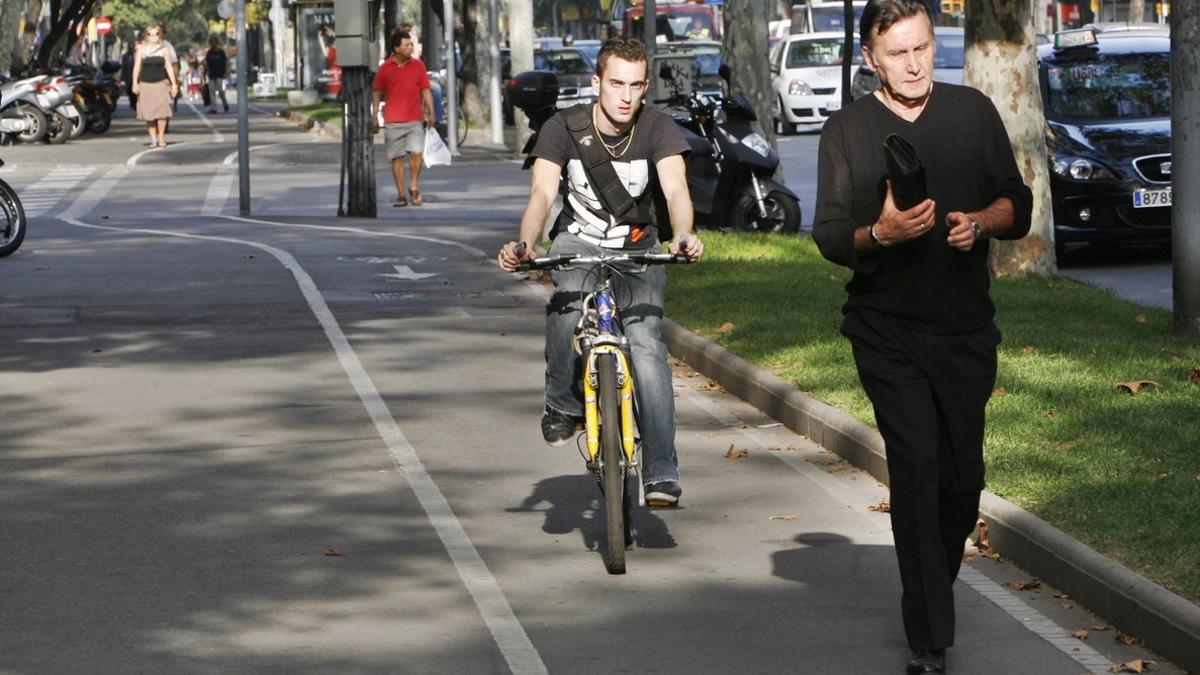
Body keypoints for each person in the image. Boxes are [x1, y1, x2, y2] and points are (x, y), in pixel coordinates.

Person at [812, 1, 1032, 673]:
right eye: (899, 52)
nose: (915, 64)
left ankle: (933, 585)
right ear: (870, 60)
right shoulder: (846, 130)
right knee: (917, 467)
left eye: (924, 47)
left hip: (966, 330)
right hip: (886, 331)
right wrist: (882, 234)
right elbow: (829, 234)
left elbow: (1015, 204)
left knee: (963, 482)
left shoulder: (972, 113)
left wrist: (979, 224)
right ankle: (929, 637)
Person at [496, 37, 704, 507]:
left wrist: (684, 234)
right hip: (578, 242)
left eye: (635, 86)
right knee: (565, 307)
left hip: (639, 248)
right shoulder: (562, 128)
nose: (626, 96)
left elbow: (675, 191)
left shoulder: (657, 128)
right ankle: (562, 404)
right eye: (616, 84)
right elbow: (542, 196)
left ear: (646, 87)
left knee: (649, 347)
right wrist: (526, 245)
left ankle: (661, 472)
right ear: (597, 84)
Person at [371, 31, 436, 207]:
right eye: (406, 45)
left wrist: (432, 112)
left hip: (415, 119)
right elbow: (377, 94)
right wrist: (375, 116)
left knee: (416, 153)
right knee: (397, 158)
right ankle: (401, 194)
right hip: (393, 121)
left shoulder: (418, 66)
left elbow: (425, 90)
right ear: (396, 48)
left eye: (411, 45)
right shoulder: (385, 68)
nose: (410, 48)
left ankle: (414, 185)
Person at [132, 24, 179, 148]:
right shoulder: (141, 50)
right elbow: (137, 67)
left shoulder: (164, 50)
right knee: (149, 115)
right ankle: (153, 139)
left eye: (156, 34)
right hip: (146, 85)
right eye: (150, 34)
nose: (153, 36)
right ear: (146, 36)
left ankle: (161, 137)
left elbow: (169, 67)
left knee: (162, 113)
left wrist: (174, 85)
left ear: (160, 35)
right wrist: (134, 83)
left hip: (161, 84)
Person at [204, 36, 230, 113]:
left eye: (214, 42)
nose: (212, 44)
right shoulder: (209, 53)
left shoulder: (221, 52)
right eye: (211, 42)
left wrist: (226, 72)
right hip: (211, 75)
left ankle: (225, 103)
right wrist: (205, 72)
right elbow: (207, 63)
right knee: (211, 91)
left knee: (220, 91)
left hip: (220, 75)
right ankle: (213, 107)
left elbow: (226, 63)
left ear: (217, 43)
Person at [120, 42, 138, 110]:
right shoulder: (125, 56)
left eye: (133, 46)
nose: (132, 48)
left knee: (135, 92)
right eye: (130, 46)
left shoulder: (137, 54)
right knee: (130, 91)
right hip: (128, 77)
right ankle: (132, 103)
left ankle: (135, 104)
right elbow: (123, 67)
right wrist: (122, 78)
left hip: (136, 77)